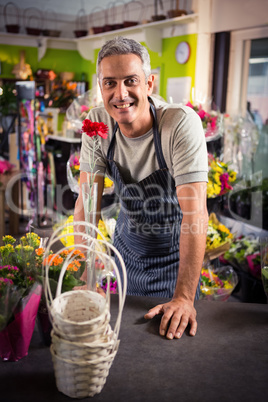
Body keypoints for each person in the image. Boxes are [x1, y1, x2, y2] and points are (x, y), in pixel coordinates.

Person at [74, 36, 208, 340]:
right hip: (126, 258)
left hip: (175, 262)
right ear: (101, 87)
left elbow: (196, 213)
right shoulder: (98, 123)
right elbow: (86, 205)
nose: (120, 94)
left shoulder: (178, 125)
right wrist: (86, 276)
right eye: (109, 83)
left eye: (130, 81)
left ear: (149, 84)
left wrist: (184, 298)